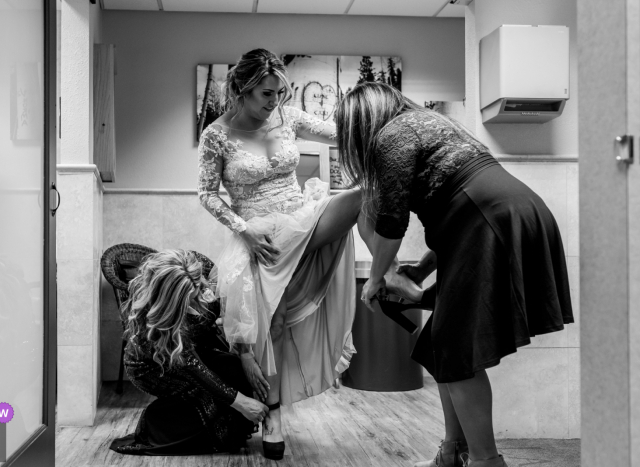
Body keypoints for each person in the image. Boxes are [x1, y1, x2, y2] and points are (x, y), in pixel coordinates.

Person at [197, 48, 423, 460]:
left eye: (280, 92)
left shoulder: (289, 117)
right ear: (242, 91)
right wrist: (243, 232)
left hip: (302, 221)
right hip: (261, 238)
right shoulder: (216, 134)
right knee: (274, 326)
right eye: (266, 94)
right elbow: (207, 195)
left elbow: (343, 133)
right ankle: (273, 416)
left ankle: (385, 273)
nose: (275, 102)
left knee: (364, 194)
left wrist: (391, 128)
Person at [336, 82, 574, 467]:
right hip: (511, 212)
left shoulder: (391, 136)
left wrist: (379, 277)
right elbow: (457, 207)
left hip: (488, 221)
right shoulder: (430, 123)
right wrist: (422, 269)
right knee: (439, 343)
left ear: (359, 123)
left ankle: (484, 460)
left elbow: (392, 221)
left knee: (457, 353)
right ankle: (452, 452)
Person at [109, 249, 268, 456]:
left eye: (198, 289)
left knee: (234, 370)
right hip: (154, 368)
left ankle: (210, 425)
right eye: (188, 300)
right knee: (208, 397)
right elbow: (192, 366)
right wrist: (241, 403)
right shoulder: (155, 321)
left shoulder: (199, 266)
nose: (196, 300)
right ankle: (159, 423)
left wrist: (245, 354)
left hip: (194, 351)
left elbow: (237, 299)